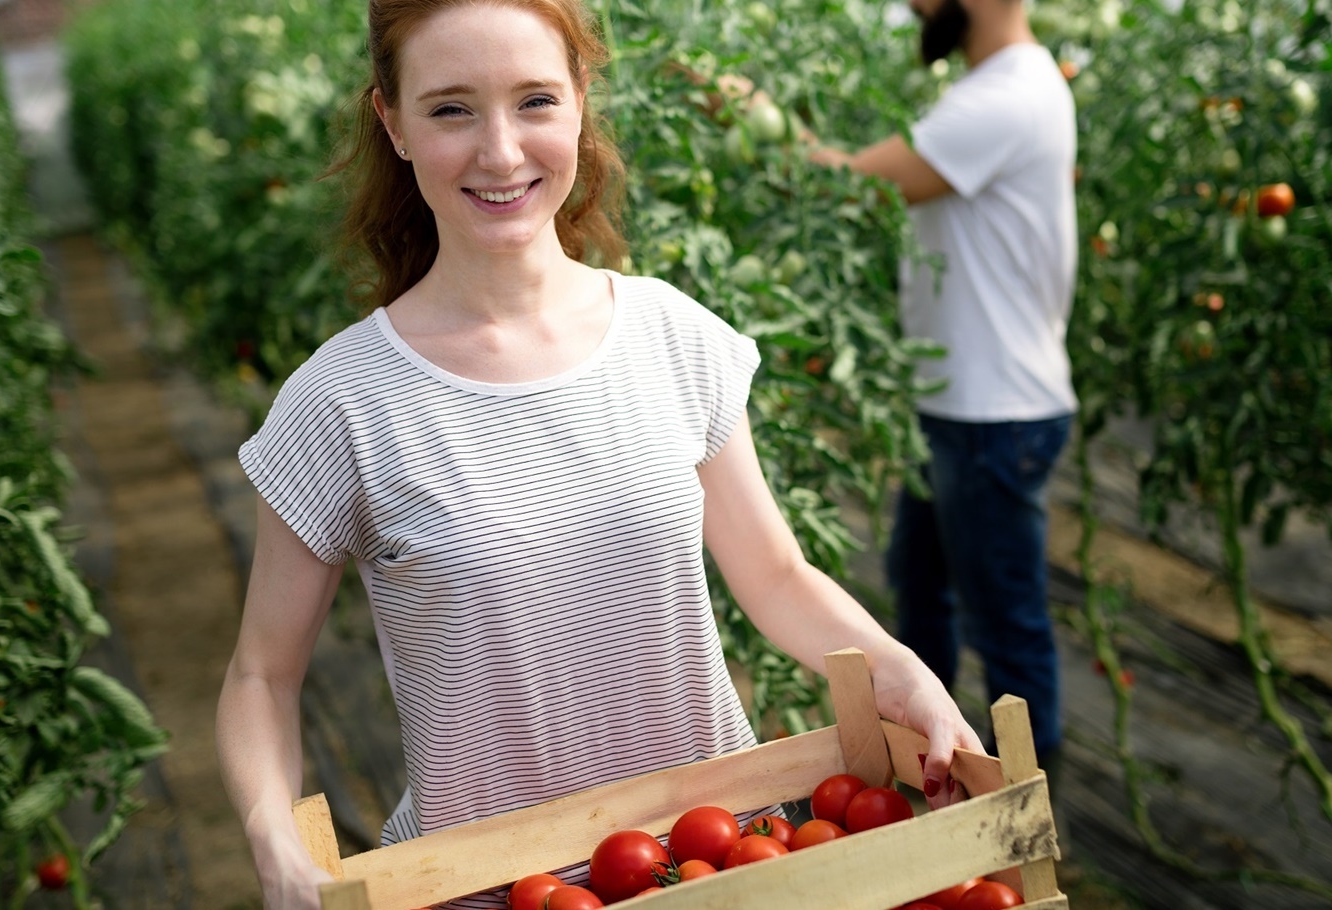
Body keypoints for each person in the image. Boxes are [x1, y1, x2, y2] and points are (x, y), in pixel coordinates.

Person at [214, 1, 984, 908]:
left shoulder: (668, 335)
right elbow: (262, 674)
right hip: (491, 886)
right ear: (392, 122)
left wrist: (898, 669)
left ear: (581, 99)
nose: (500, 152)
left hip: (718, 863)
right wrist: (273, 836)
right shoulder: (341, 401)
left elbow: (774, 574)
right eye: (451, 109)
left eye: (534, 100)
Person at [808, 0, 1078, 778]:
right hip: (964, 406)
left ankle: (1028, 828)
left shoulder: (1007, 95)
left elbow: (857, 188)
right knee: (922, 600)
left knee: (1008, 631)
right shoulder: (1000, 86)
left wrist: (756, 119)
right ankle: (942, 787)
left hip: (992, 414)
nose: (913, 3)